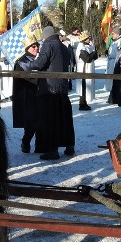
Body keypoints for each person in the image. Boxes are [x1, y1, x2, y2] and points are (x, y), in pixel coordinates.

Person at [30, 25, 75, 159]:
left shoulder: (48, 45)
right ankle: (69, 145)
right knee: (64, 118)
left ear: (45, 35)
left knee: (50, 120)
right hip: (62, 87)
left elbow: (40, 64)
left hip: (49, 88)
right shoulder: (63, 46)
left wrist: (30, 64)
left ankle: (52, 150)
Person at [12, 41, 40, 153]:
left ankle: (38, 145)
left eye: (37, 46)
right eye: (33, 46)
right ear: (27, 48)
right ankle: (26, 142)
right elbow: (27, 78)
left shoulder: (36, 60)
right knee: (31, 122)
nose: (36, 48)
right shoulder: (21, 61)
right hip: (25, 96)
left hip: (36, 94)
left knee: (38, 121)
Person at [75, 31, 97, 111]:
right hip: (84, 69)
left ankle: (84, 102)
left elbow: (95, 56)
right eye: (88, 38)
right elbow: (87, 59)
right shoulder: (81, 47)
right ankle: (82, 104)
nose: (90, 39)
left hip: (87, 68)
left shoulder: (87, 46)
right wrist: (93, 53)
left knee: (85, 86)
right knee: (83, 87)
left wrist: (94, 53)